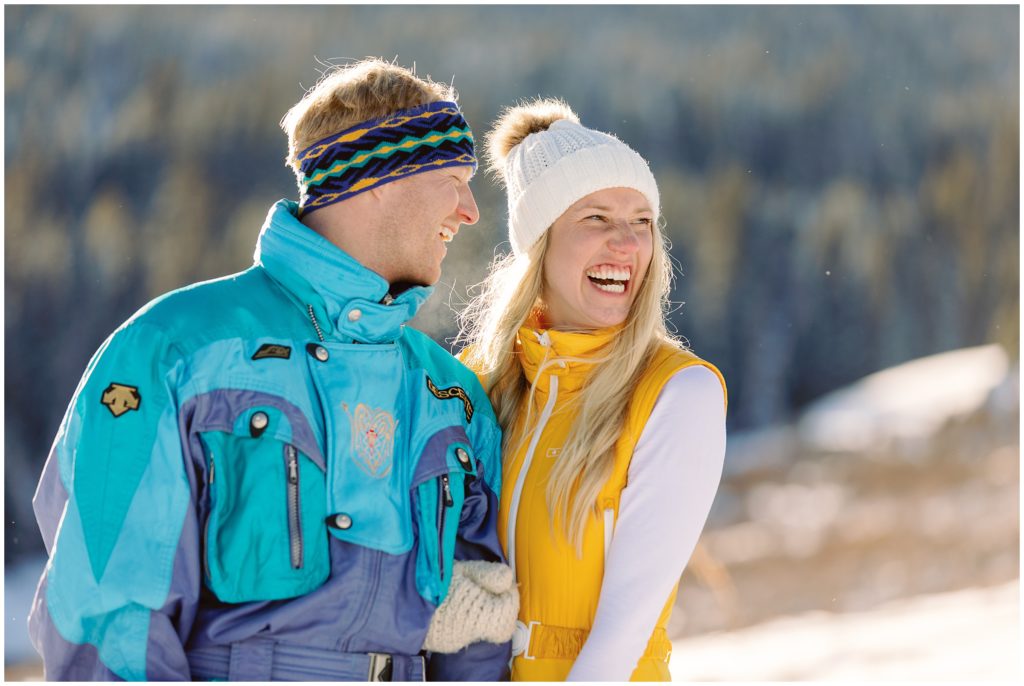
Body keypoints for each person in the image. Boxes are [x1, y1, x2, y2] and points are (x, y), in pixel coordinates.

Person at [27, 58, 517, 682]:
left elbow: (476, 635)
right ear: (381, 178)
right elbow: (110, 614)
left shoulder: (450, 396)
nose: (471, 211)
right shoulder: (175, 351)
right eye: (454, 177)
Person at [457, 98, 728, 681]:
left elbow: (623, 634)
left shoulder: (676, 394)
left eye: (641, 222)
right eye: (596, 219)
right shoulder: (482, 382)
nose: (627, 245)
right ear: (540, 245)